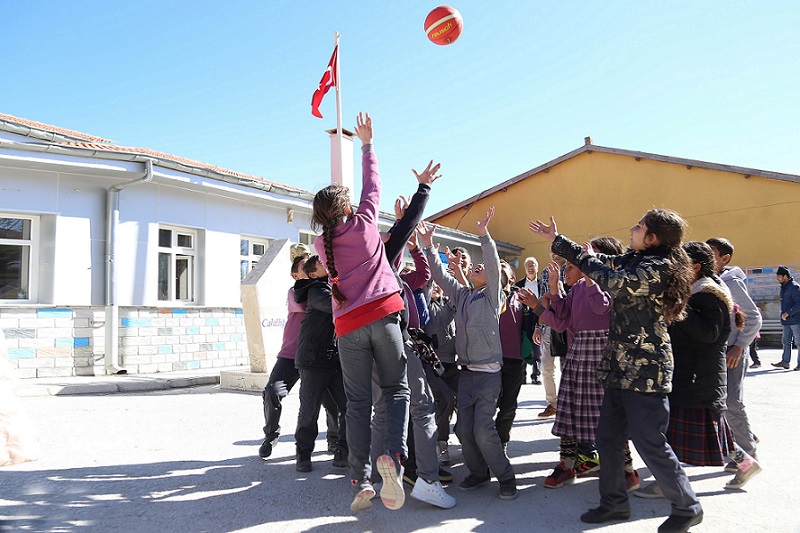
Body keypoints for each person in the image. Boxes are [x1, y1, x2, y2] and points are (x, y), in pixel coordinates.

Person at [530, 209, 704, 533]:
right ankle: (613, 503)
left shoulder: (657, 267)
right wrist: (559, 241)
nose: (632, 229)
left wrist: (580, 257)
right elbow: (604, 264)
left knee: (649, 440)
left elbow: (611, 280)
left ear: (653, 238)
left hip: (645, 370)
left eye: (640, 227)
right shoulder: (634, 259)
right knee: (607, 437)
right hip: (619, 367)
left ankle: (687, 505)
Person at [312, 113, 410, 512]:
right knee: (396, 389)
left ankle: (361, 479)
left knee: (357, 403)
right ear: (347, 205)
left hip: (347, 327)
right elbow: (374, 185)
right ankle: (394, 458)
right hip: (383, 316)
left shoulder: (321, 246)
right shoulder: (366, 221)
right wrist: (368, 143)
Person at [636, 242, 761, 498]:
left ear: (694, 267)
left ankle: (666, 483)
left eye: (678, 265)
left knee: (684, 433)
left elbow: (709, 334)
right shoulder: (693, 292)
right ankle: (747, 464)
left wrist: (679, 307)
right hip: (691, 374)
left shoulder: (708, 294)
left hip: (700, 376)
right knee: (710, 434)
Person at [423, 208, 519, 501]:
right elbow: (439, 274)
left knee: (483, 431)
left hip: (489, 376)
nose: (477, 268)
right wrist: (428, 247)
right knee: (463, 430)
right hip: (467, 375)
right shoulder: (463, 295)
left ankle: (506, 477)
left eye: (482, 269)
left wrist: (484, 236)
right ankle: (478, 473)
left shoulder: (493, 297)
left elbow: (491, 264)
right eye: (473, 268)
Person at [258, 254, 340, 460]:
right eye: (305, 266)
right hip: (291, 353)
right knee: (272, 391)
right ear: (295, 274)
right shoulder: (297, 291)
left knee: (331, 403)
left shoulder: (325, 287)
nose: (312, 267)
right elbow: (305, 304)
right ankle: (270, 435)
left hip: (318, 356)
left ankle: (334, 438)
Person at [705, 238, 761, 467]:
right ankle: (744, 439)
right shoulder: (709, 280)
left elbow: (754, 317)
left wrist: (739, 347)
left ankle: (748, 453)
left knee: (732, 402)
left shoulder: (732, 282)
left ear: (724, 258)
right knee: (719, 403)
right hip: (715, 351)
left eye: (711, 254)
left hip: (733, 351)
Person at [292, 255, 349, 473]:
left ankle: (343, 453)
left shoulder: (333, 285)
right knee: (309, 411)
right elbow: (336, 305)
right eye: (321, 264)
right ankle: (303, 454)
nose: (328, 264)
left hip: (335, 360)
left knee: (348, 407)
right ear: (314, 273)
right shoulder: (316, 290)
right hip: (312, 360)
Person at [424, 281, 459, 466]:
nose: (436, 286)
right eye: (432, 284)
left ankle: (465, 434)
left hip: (452, 365)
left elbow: (456, 298)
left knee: (468, 398)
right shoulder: (423, 306)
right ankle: (441, 442)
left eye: (439, 284)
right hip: (432, 365)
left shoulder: (447, 303)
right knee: (446, 400)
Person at [516, 257, 543, 385]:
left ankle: (536, 375)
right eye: (528, 266)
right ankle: (522, 375)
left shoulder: (543, 284)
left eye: (533, 266)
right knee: (524, 345)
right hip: (524, 317)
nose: (531, 268)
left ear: (537, 268)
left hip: (539, 316)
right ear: (525, 269)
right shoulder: (519, 285)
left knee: (537, 347)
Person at [773, 266, 800, 370]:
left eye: (779, 276)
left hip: (796, 320)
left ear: (785, 276)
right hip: (786, 321)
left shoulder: (794, 287)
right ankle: (785, 362)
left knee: (799, 342)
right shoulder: (784, 287)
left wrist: (788, 313)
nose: (777, 278)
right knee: (786, 341)